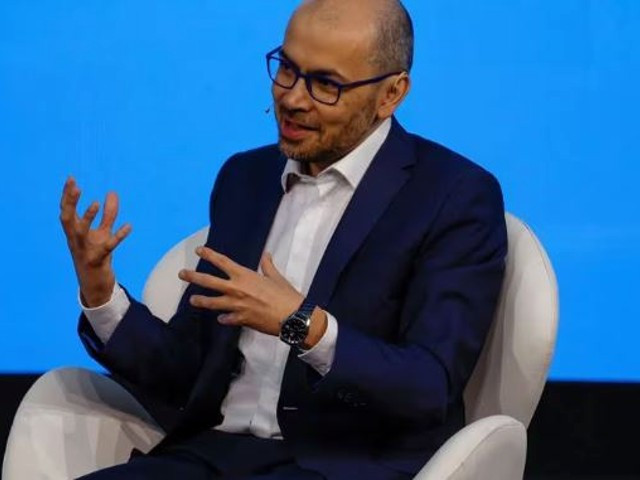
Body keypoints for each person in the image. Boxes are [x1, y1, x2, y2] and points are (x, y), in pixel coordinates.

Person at [59, 0, 507, 478]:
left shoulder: (451, 195)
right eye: (287, 70)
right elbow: (184, 373)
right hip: (208, 456)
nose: (292, 98)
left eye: (326, 84)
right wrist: (101, 293)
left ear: (391, 94)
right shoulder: (245, 179)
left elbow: (427, 386)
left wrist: (301, 325)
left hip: (339, 465)